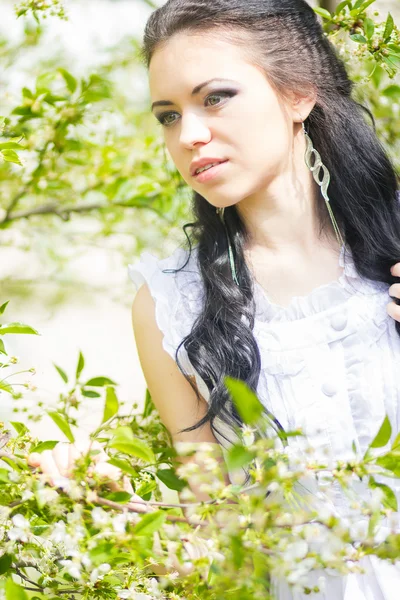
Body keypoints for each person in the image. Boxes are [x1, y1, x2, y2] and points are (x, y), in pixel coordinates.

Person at [29, 0, 400, 597]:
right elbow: (219, 546)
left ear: (299, 92)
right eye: (168, 116)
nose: (189, 136)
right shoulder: (171, 307)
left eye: (216, 97)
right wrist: (118, 510)